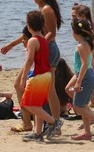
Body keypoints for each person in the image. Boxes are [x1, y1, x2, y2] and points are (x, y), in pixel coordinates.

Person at [1, 0, 63, 131]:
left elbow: (51, 33)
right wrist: (11, 45)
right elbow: (29, 32)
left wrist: (37, 45)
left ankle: (53, 123)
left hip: (48, 51)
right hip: (40, 49)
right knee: (24, 86)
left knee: (48, 90)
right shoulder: (40, 9)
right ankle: (29, 123)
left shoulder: (47, 9)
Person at [66, 3, 94, 129]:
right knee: (68, 89)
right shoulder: (85, 28)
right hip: (89, 65)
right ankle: (90, 116)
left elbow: (90, 55)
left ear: (83, 16)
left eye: (75, 16)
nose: (73, 19)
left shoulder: (88, 31)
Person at [20, 10, 59, 142]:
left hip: (38, 75)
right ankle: (37, 132)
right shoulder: (43, 39)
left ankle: (53, 121)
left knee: (28, 104)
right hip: (46, 75)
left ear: (29, 26)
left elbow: (29, 60)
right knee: (37, 104)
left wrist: (24, 77)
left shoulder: (32, 41)